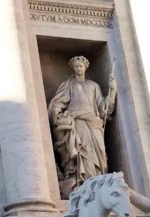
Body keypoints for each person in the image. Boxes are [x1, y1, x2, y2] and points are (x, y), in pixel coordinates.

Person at [48, 56, 116, 192]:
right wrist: (58, 115)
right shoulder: (69, 85)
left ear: (85, 67)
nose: (79, 68)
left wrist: (112, 90)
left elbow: (103, 108)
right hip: (78, 123)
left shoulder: (93, 86)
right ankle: (84, 183)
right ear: (73, 69)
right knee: (83, 151)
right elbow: (58, 103)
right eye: (76, 66)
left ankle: (98, 182)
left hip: (93, 123)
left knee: (99, 153)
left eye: (81, 66)